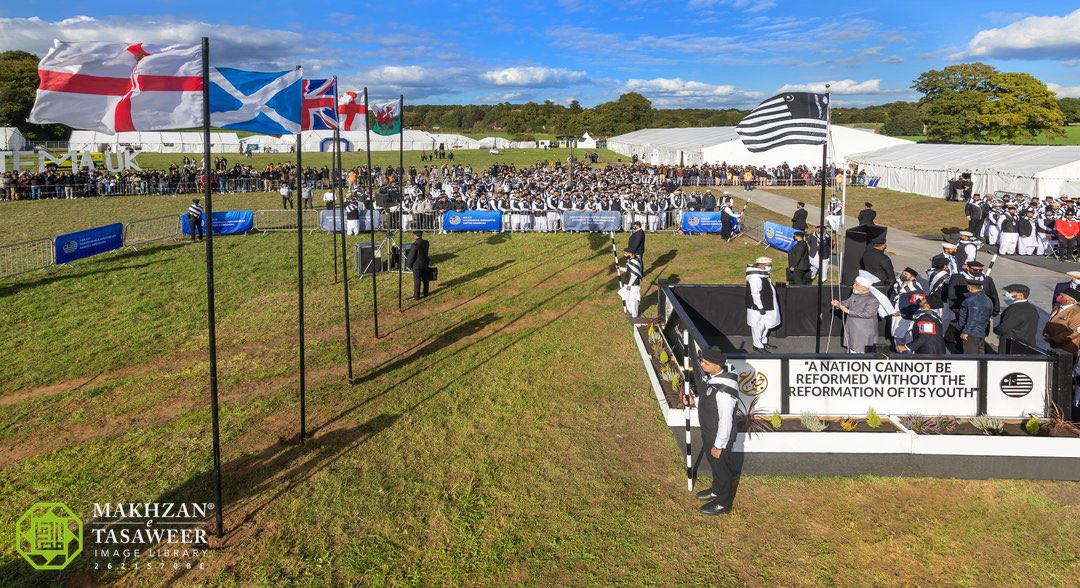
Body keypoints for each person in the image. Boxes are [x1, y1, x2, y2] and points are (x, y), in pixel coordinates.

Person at [694, 347, 740, 517]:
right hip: (709, 431)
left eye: (706, 363)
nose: (702, 364)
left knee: (722, 469)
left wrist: (719, 445)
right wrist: (694, 400)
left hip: (718, 436)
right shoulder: (716, 377)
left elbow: (726, 420)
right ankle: (716, 490)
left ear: (717, 366)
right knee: (715, 465)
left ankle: (722, 503)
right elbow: (709, 399)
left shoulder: (724, 391)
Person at [832, 272, 896, 353]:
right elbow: (847, 302)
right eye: (854, 283)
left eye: (856, 284)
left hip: (863, 331)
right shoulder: (855, 293)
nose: (853, 286)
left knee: (862, 352)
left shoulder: (873, 300)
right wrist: (838, 304)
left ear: (864, 287)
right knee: (852, 349)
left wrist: (848, 311)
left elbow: (867, 314)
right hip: (852, 327)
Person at [745, 257, 780, 352]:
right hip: (757, 307)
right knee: (757, 325)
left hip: (767, 304)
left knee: (766, 324)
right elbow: (755, 294)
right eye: (768, 265)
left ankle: (763, 341)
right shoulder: (755, 278)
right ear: (760, 265)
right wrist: (760, 307)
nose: (770, 267)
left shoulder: (764, 275)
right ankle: (757, 345)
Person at [995, 284, 1039, 351]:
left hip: (1012, 346)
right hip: (1028, 344)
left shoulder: (1015, 309)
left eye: (1011, 291)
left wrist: (996, 329)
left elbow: (1004, 329)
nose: (1008, 293)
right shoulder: (1032, 308)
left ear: (1020, 295)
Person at [958, 280, 993, 354]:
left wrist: (965, 332)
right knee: (979, 355)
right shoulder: (987, 299)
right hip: (981, 332)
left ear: (969, 287)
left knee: (971, 356)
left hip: (972, 333)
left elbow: (973, 318)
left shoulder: (973, 300)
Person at [406, 230, 430, 301]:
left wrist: (408, 265)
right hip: (425, 263)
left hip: (417, 265)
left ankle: (416, 296)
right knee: (425, 279)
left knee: (417, 280)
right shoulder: (426, 242)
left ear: (415, 235)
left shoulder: (415, 244)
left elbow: (412, 256)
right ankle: (426, 293)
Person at [620, 248, 643, 318]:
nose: (624, 255)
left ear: (630, 254)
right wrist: (620, 268)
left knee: (633, 300)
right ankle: (630, 313)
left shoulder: (635, 262)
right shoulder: (631, 260)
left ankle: (634, 315)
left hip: (633, 285)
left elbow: (634, 275)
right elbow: (629, 270)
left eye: (625, 253)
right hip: (628, 283)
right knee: (627, 298)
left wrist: (629, 285)